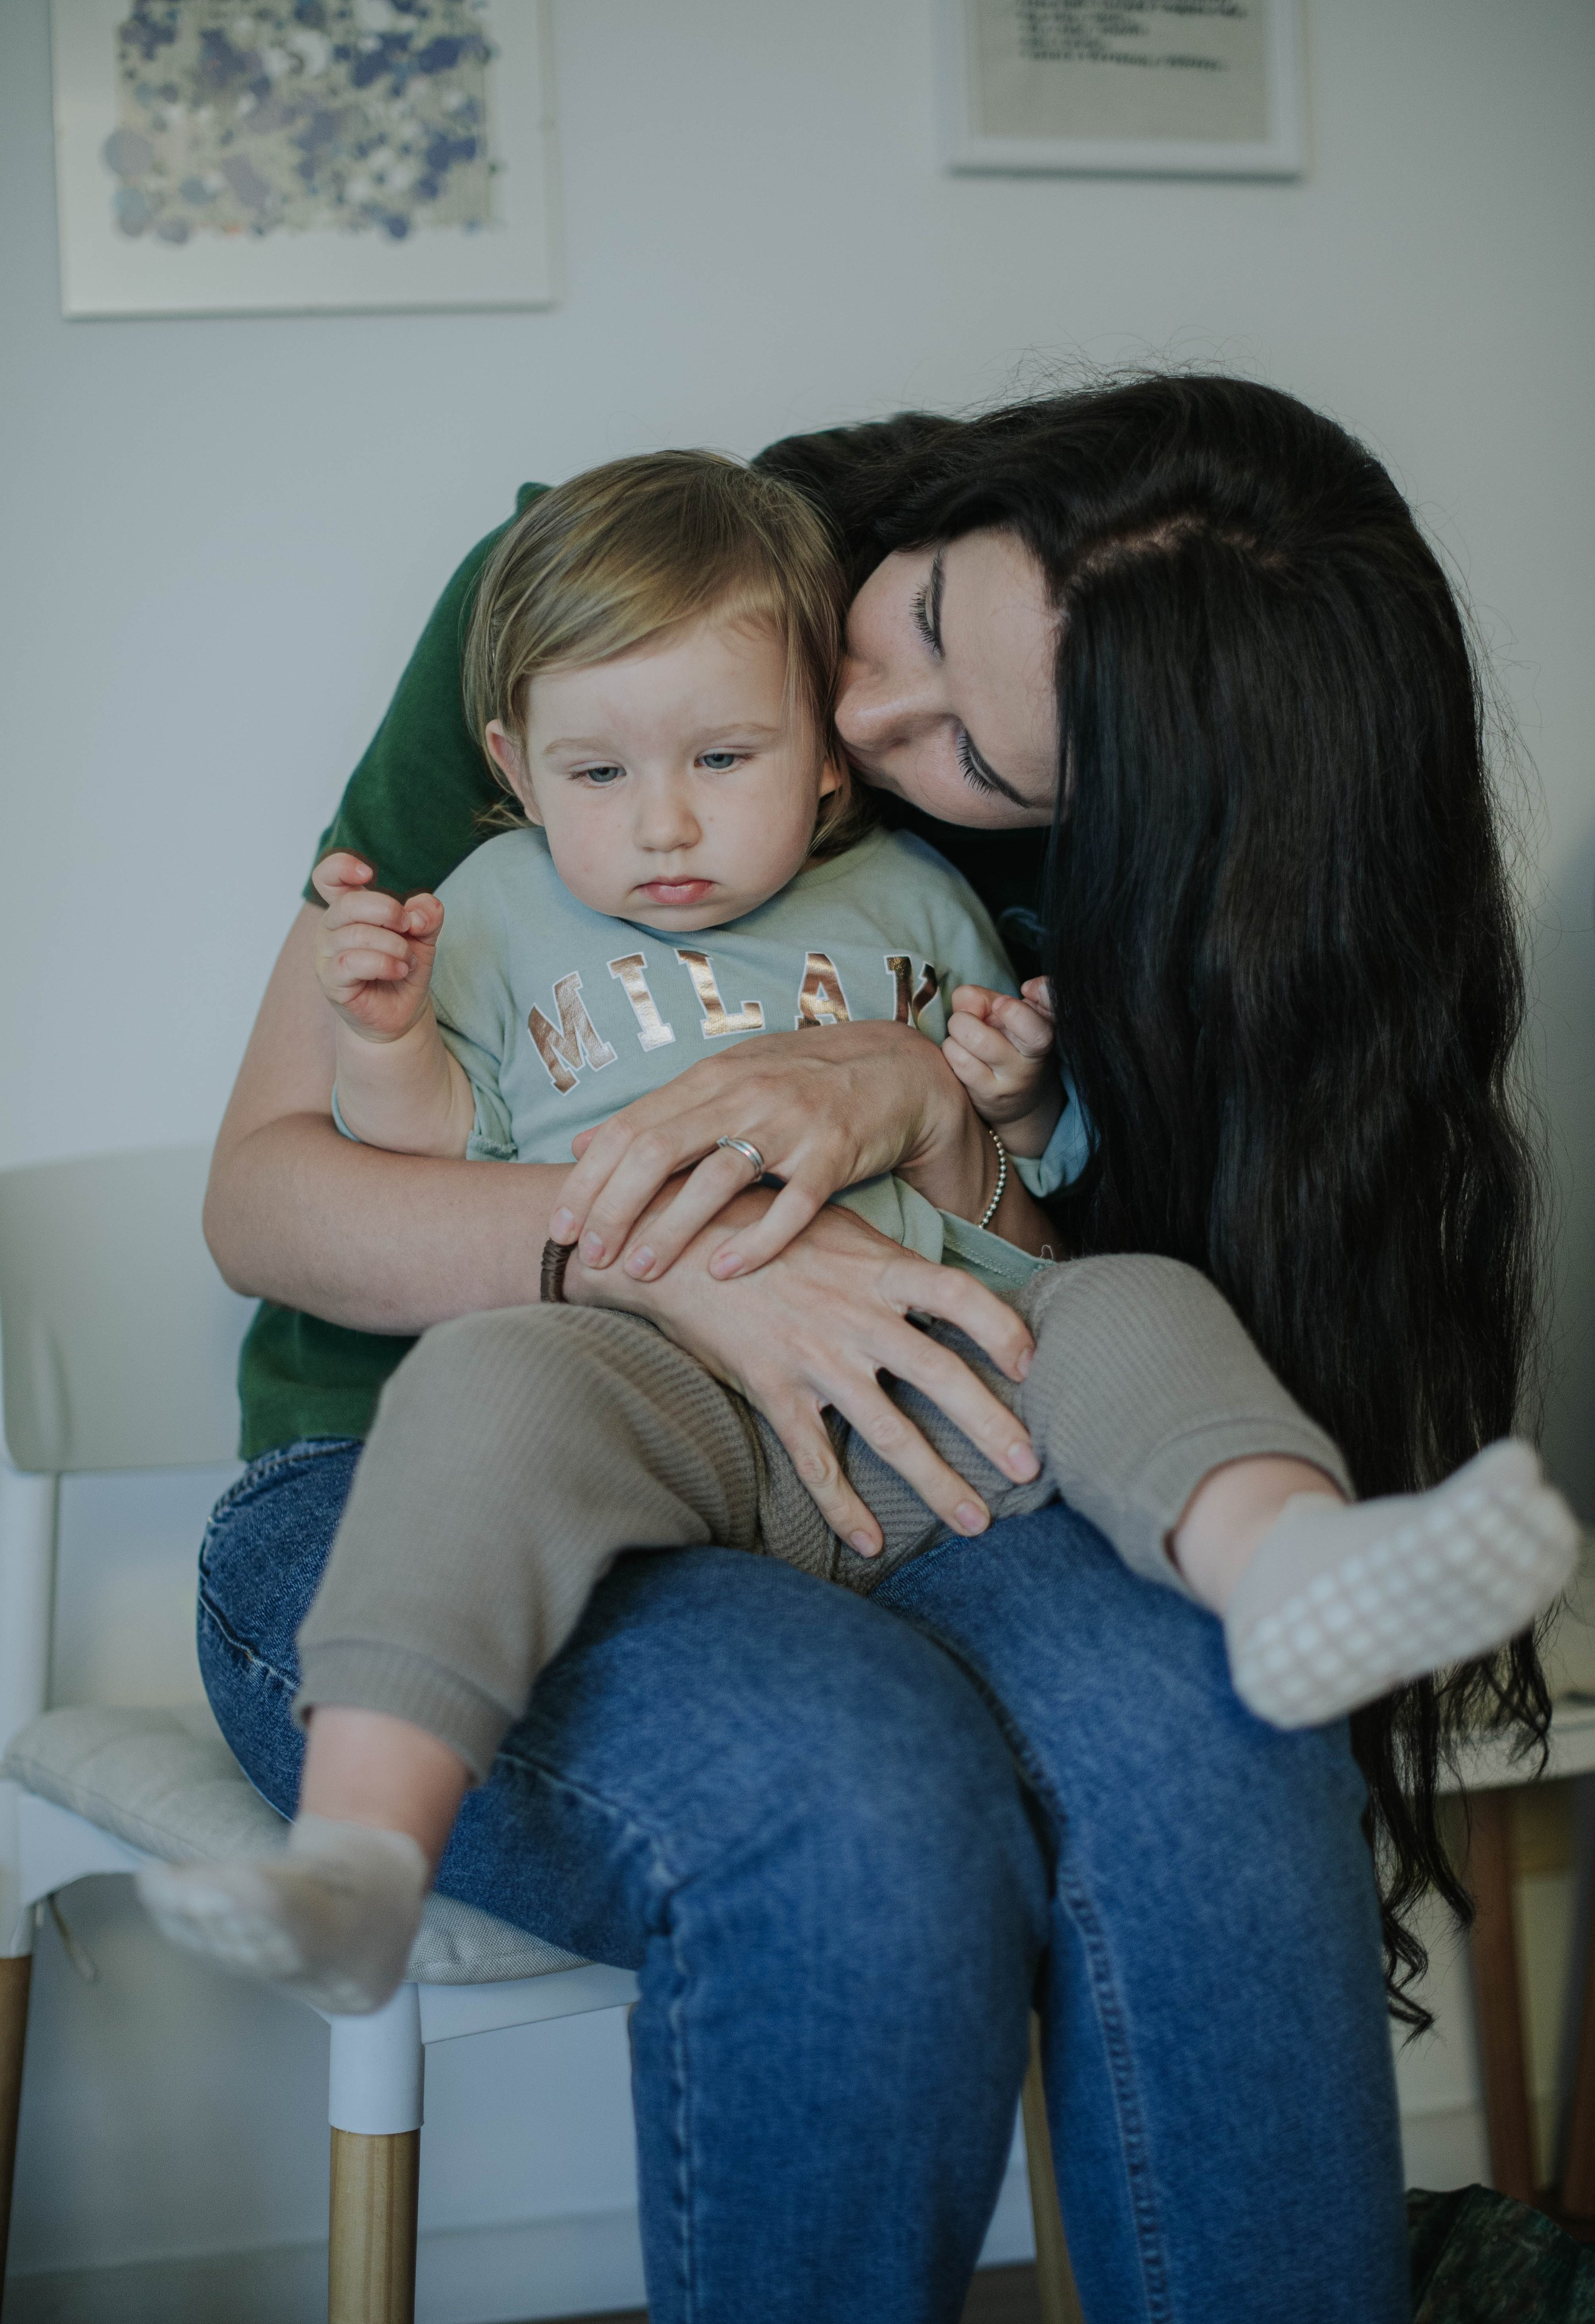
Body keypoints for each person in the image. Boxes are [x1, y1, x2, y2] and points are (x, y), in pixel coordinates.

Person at [189, 374, 1550, 2323]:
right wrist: (675, 1256)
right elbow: (278, 1190)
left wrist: (932, 1095)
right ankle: (360, 1840)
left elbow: (1047, 1256)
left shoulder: (970, 898)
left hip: (922, 1452)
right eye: (913, 627)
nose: (871, 723)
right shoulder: (601, 603)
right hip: (461, 1463)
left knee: (1213, 1729)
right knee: (864, 1801)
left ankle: (1286, 1547)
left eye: (981, 761)